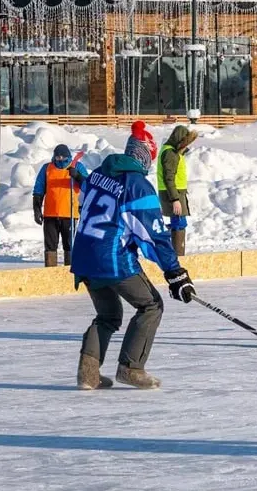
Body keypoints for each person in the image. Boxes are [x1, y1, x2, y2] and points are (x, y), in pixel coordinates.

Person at [70, 129, 194, 391]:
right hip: (113, 259)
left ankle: (88, 374)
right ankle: (131, 367)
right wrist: (175, 272)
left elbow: (87, 207)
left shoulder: (98, 174)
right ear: (144, 157)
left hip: (83, 255)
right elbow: (154, 235)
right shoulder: (137, 185)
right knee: (151, 305)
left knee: (108, 314)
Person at [32, 143, 89, 267]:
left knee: (69, 245)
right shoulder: (47, 168)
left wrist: (78, 176)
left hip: (69, 214)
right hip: (50, 214)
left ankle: (69, 270)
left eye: (63, 158)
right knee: (50, 245)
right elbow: (38, 190)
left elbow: (89, 185)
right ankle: (50, 270)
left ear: (68, 156)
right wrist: (37, 209)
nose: (61, 160)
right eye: (58, 158)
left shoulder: (77, 166)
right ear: (54, 157)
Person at [157, 125, 198, 256]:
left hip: (176, 192)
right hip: (173, 194)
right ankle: (177, 257)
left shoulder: (172, 151)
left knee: (178, 223)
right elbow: (169, 177)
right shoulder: (170, 153)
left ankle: (172, 250)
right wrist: (175, 199)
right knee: (179, 223)